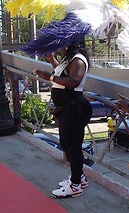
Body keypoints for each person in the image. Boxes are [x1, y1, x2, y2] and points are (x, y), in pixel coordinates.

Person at [33, 40, 92, 198]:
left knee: (73, 148)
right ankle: (79, 178)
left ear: (70, 42)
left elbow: (74, 81)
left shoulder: (78, 59)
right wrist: (52, 60)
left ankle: (75, 186)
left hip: (74, 109)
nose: (58, 44)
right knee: (66, 144)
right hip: (67, 109)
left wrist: (49, 77)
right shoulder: (69, 58)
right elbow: (63, 75)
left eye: (61, 41)